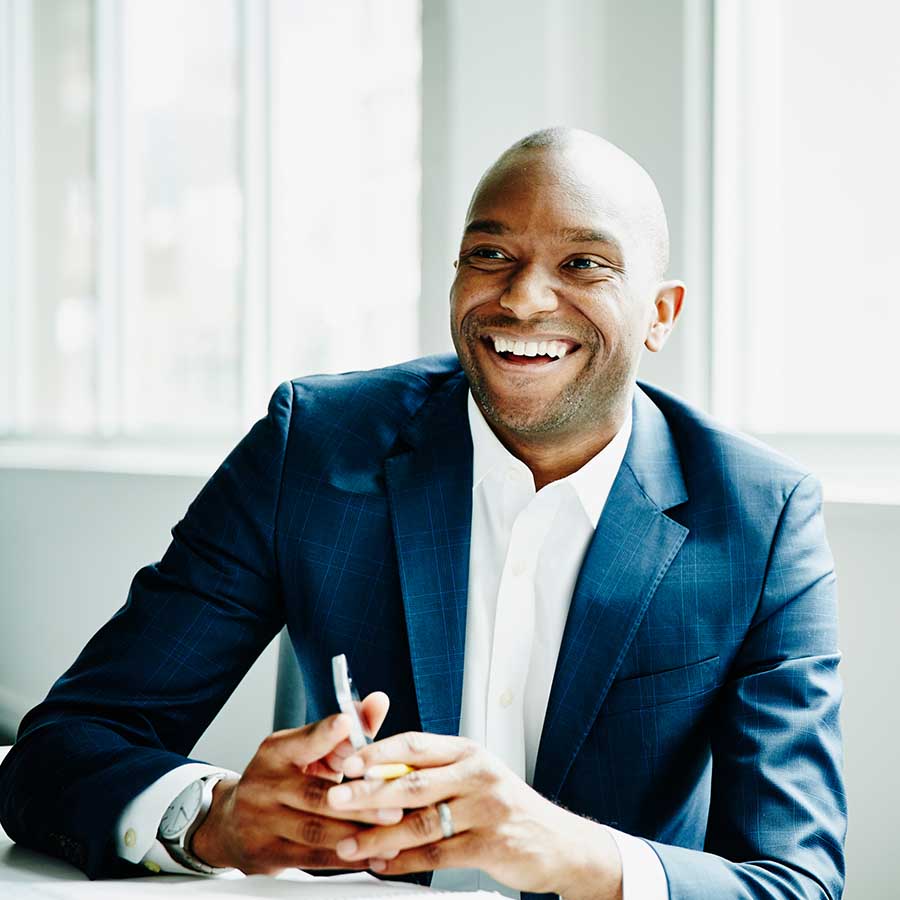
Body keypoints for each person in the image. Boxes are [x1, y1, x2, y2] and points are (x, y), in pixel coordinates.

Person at [0, 128, 846, 900]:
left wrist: (571, 852)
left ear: (660, 313)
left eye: (585, 263)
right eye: (490, 253)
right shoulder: (314, 448)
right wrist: (216, 817)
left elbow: (798, 882)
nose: (522, 300)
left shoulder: (761, 518)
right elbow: (59, 751)